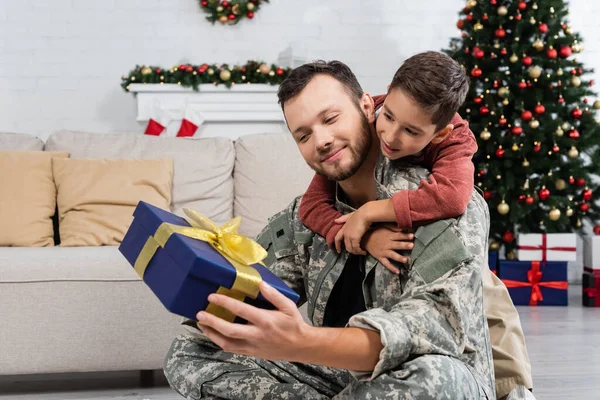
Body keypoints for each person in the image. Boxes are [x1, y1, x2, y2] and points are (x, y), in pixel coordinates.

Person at [164, 59, 501, 399]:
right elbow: (253, 288)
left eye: (330, 118)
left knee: (434, 376)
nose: (321, 141)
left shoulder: (438, 202)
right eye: (304, 135)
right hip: (341, 380)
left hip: (434, 376)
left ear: (367, 106)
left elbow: (430, 330)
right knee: (192, 350)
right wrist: (199, 275)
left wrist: (301, 341)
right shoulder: (306, 215)